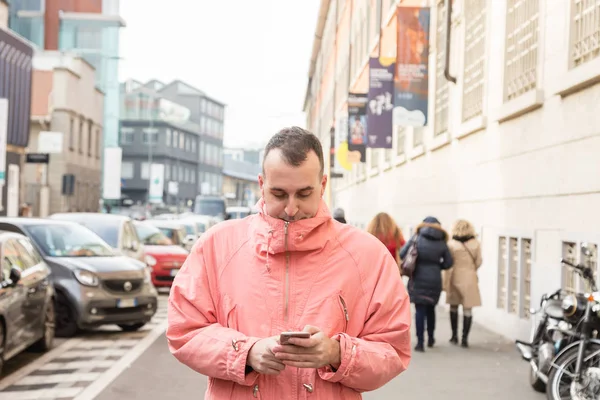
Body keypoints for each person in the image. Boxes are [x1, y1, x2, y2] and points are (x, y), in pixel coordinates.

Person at [167, 127, 411, 399]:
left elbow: (393, 349)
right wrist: (245, 352)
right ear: (261, 184)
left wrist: (336, 353)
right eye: (279, 194)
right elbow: (184, 331)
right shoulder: (216, 246)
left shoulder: (368, 256)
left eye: (304, 194)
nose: (291, 208)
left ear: (323, 185)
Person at [400, 216, 453, 352]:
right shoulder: (442, 241)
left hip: (417, 277)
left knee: (420, 310)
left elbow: (402, 254)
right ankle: (431, 338)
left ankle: (420, 342)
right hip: (435, 279)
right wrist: (436, 266)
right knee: (431, 309)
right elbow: (448, 262)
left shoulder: (417, 237)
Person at [444, 219, 482, 348]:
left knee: (453, 306)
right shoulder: (476, 243)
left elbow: (448, 261)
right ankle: (465, 338)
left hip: (454, 276)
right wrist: (471, 269)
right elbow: (479, 261)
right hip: (470, 277)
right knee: (468, 309)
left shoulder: (451, 244)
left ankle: (454, 336)